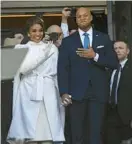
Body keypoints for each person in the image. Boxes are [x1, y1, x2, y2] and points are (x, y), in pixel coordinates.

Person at [57, 7, 118, 144]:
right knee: (77, 134)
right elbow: (63, 69)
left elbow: (114, 63)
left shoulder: (103, 37)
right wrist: (63, 92)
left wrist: (95, 56)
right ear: (76, 20)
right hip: (76, 94)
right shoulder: (68, 42)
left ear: (90, 18)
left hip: (98, 93)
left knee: (96, 134)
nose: (82, 18)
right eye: (79, 16)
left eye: (85, 15)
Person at [7, 17, 65, 144]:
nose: (37, 34)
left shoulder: (52, 49)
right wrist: (43, 55)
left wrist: (59, 94)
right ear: (28, 33)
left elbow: (56, 73)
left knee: (48, 134)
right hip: (28, 91)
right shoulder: (20, 48)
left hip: (48, 92)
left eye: (40, 31)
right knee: (30, 135)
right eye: (34, 31)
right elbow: (23, 69)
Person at [104, 41, 132, 144]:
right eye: (115, 49)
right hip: (111, 113)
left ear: (127, 51)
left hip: (127, 116)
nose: (117, 51)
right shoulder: (109, 68)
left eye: (121, 48)